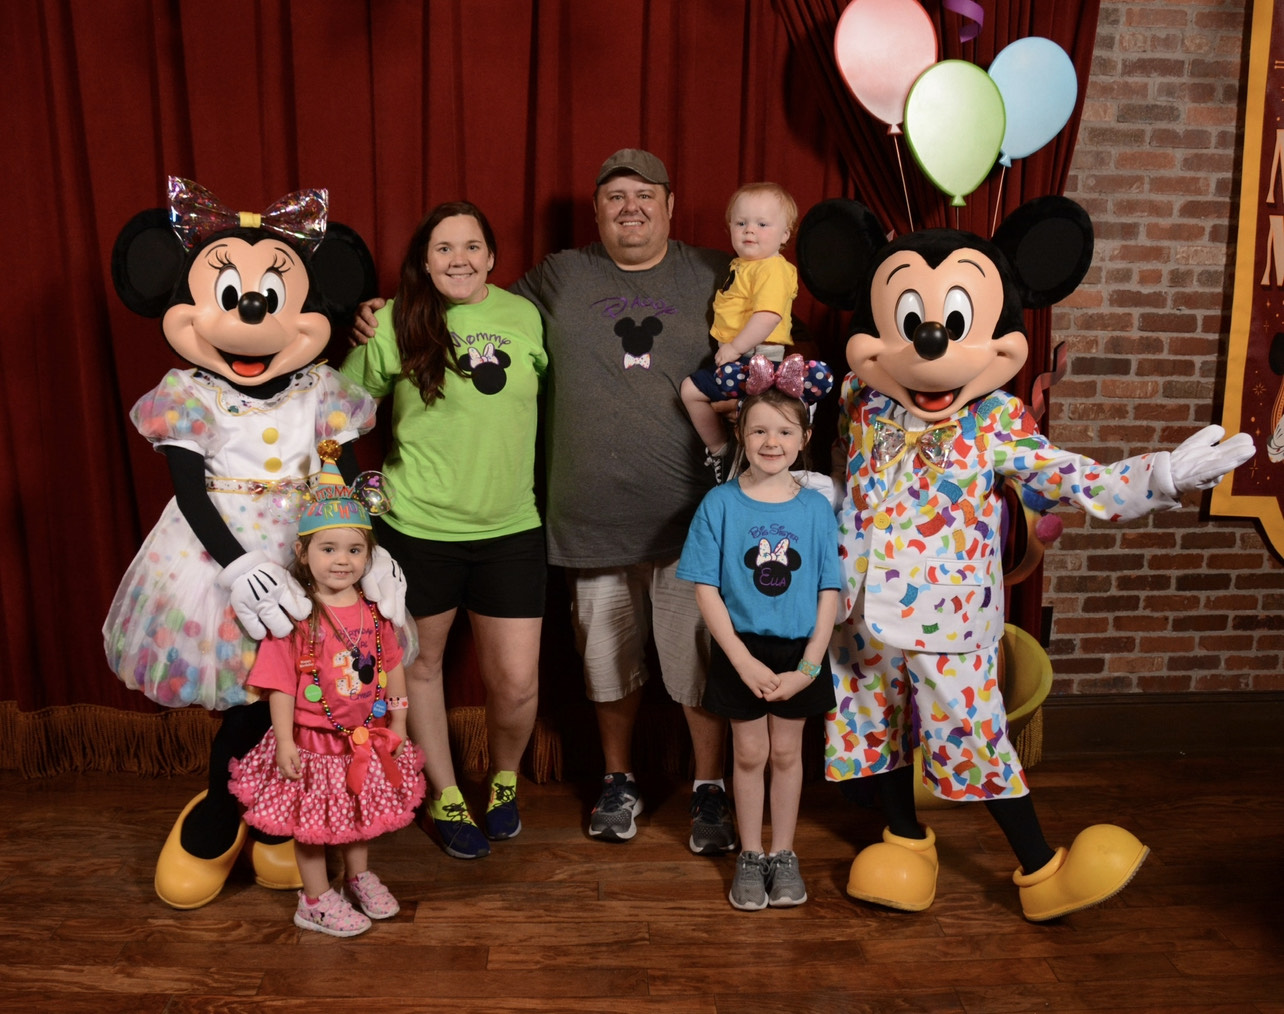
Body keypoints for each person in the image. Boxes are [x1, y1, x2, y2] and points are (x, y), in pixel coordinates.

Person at [354, 151, 739, 853]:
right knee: (605, 664)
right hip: (580, 523)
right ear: (595, 212)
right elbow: (445, 316)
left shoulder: (716, 273)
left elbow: (771, 330)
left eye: (645, 195)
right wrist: (380, 311)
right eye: (614, 196)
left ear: (672, 205)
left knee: (696, 667)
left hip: (690, 520)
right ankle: (614, 781)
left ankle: (709, 789)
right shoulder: (557, 278)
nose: (630, 207)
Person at [342, 201, 547, 861]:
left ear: (491, 256)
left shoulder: (524, 316)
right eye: (443, 249)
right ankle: (446, 795)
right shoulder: (395, 322)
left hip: (512, 528)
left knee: (515, 683)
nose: (458, 259)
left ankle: (505, 779)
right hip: (417, 530)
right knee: (420, 667)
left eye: (471, 247)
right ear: (424, 262)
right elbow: (338, 416)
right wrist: (357, 501)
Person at [228, 446, 425, 937]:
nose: (342, 560)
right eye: (329, 549)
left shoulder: (375, 610)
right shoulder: (296, 616)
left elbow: (393, 668)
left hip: (366, 737)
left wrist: (399, 721)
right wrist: (287, 742)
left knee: (360, 812)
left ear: (369, 555)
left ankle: (357, 877)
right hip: (312, 743)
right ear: (303, 552)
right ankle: (315, 899)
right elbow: (279, 686)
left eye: (354, 550)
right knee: (312, 822)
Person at [677, 357, 839, 909]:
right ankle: (750, 855)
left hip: (800, 653)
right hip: (740, 649)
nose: (772, 441)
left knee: (788, 755)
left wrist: (809, 667)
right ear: (741, 435)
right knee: (747, 754)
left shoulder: (817, 508)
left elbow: (828, 591)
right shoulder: (720, 504)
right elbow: (705, 589)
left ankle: (783, 854)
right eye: (760, 430)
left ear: (804, 438)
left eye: (785, 431)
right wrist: (742, 662)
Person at [680, 183, 799, 483]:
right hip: (735, 360)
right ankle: (719, 449)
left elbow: (767, 316)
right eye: (741, 223)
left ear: (785, 234)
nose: (750, 231)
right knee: (691, 391)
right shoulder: (742, 266)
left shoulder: (772, 269)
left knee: (756, 421)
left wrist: (734, 347)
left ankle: (749, 472)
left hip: (758, 360)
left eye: (762, 224)